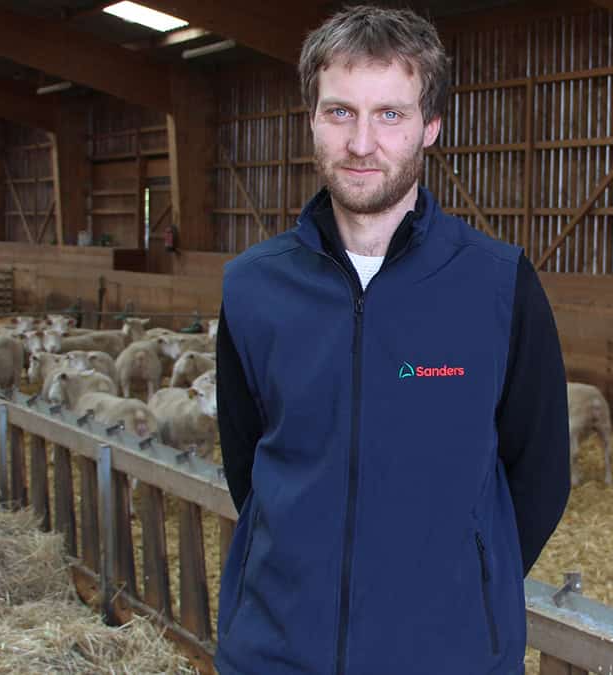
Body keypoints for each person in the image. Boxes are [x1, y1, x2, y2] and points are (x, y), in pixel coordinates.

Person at [214, 5, 570, 674]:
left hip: (447, 656)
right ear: (311, 120)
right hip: (277, 654)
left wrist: (464, 582)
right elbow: (249, 467)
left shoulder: (498, 285)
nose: (361, 142)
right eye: (341, 112)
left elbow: (541, 474)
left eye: (390, 114)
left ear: (430, 126)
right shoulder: (252, 288)